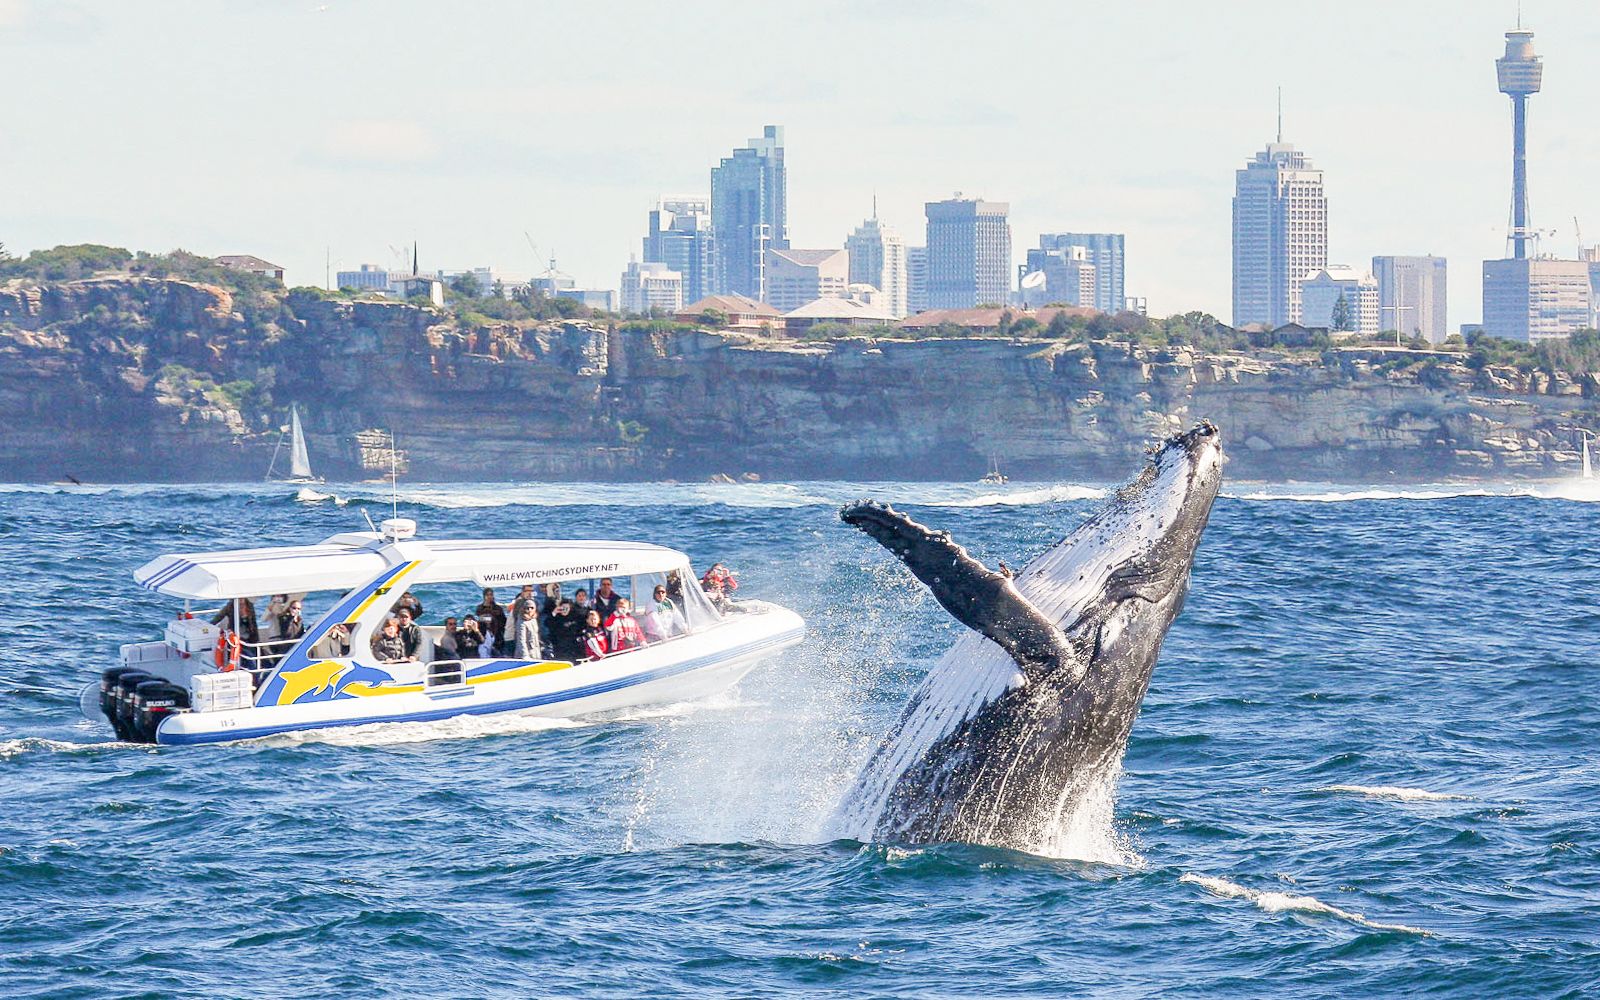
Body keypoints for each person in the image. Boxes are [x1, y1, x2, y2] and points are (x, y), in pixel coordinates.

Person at [475, 588, 507, 655]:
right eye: (487, 595)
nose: (489, 597)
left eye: (491, 595)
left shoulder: (498, 608)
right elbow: (478, 620)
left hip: (497, 635)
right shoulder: (480, 608)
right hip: (484, 634)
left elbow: (504, 621)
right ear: (484, 596)